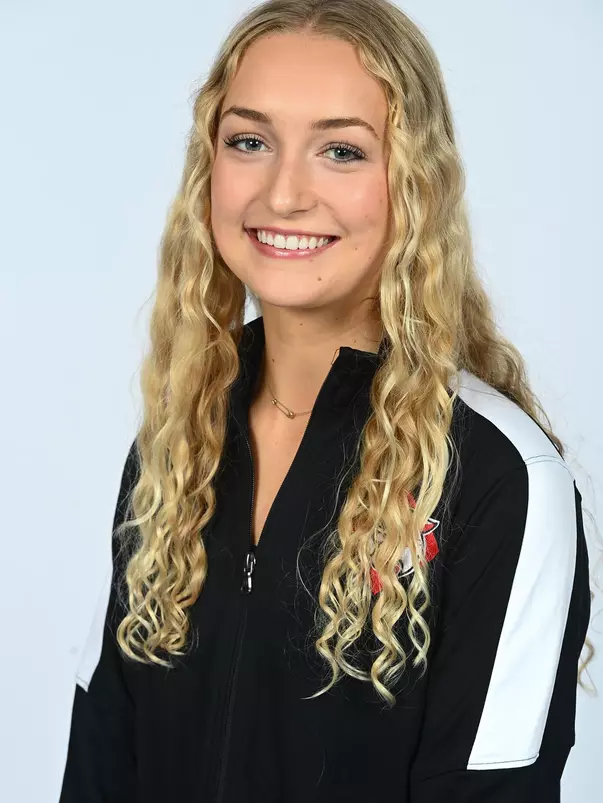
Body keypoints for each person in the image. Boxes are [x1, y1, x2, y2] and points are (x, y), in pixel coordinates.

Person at [58, 1, 595, 801]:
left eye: (340, 151)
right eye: (250, 141)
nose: (282, 194)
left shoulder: (496, 478)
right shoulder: (175, 443)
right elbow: (100, 765)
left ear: (414, 184)